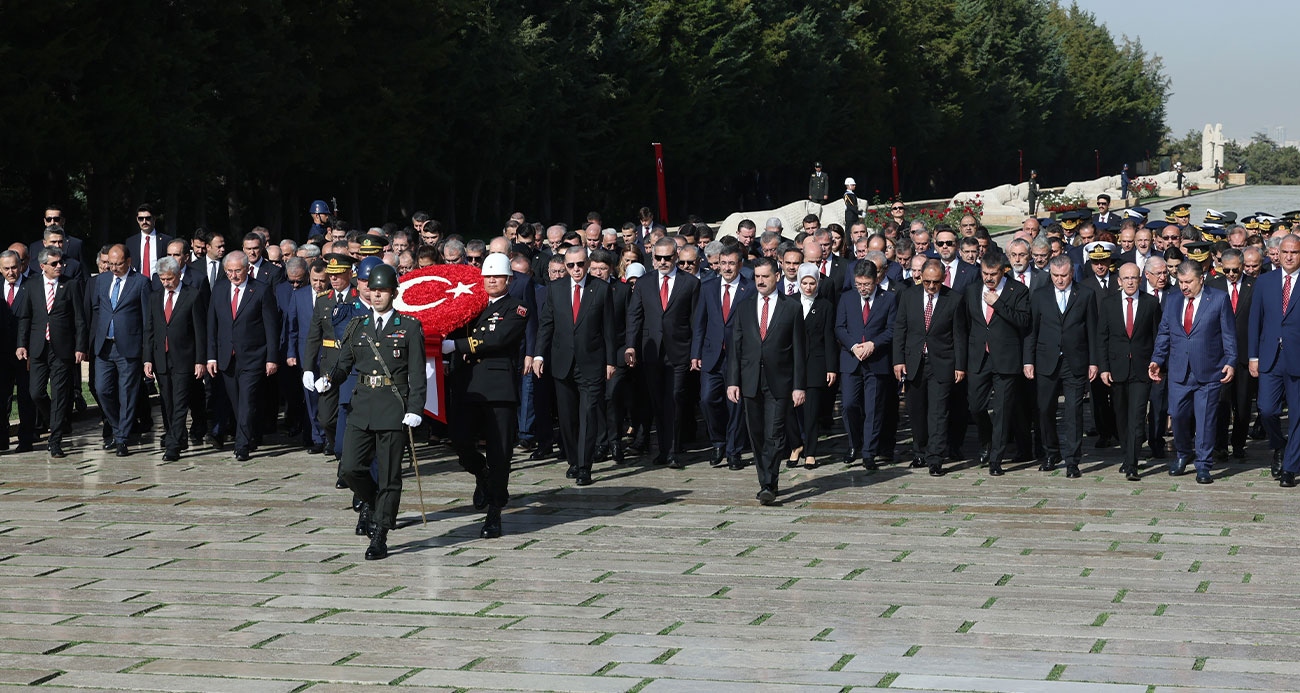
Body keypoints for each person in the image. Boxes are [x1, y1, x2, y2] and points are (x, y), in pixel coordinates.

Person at [314, 264, 425, 560]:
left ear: (394, 293)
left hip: (392, 406)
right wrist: (329, 378)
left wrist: (415, 408)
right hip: (362, 405)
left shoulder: (409, 327)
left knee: (389, 476)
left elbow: (417, 373)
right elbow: (344, 365)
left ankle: (380, 534)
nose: (376, 295)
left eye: (382, 290)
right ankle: (378, 503)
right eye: (373, 290)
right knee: (350, 468)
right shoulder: (358, 326)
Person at [444, 253, 528, 538]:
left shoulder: (516, 308)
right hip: (467, 386)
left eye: (497, 277)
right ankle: (482, 474)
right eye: (487, 276)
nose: (491, 281)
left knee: (500, 452)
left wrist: (457, 346)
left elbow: (497, 338)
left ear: (508, 280)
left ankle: (495, 510)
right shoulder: (469, 305)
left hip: (497, 389)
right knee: (460, 441)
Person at [533, 246, 616, 485]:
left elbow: (609, 328)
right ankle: (572, 460)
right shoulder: (555, 289)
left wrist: (611, 361)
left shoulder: (601, 288)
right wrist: (539, 355)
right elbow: (546, 325)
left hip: (591, 362)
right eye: (571, 266)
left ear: (587, 263)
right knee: (567, 418)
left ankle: (584, 466)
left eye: (580, 264)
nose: (576, 269)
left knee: (588, 415)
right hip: (562, 363)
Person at [726, 257, 804, 504]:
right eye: (757, 276)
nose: (760, 281)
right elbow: (736, 347)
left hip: (779, 381)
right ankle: (765, 481)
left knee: (775, 433)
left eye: (765, 276)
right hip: (750, 380)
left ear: (777, 277)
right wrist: (733, 381)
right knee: (757, 434)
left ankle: (769, 482)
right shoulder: (744, 306)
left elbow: (799, 351)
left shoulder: (791, 307)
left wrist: (799, 385)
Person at [1150, 261, 1236, 484]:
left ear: (1201, 279)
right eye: (1180, 282)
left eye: (1188, 282)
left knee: (1206, 420)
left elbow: (1228, 333)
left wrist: (1231, 361)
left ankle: (1204, 464)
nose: (1184, 286)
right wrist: (1157, 360)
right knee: (1177, 415)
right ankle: (1182, 453)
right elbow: (1164, 333)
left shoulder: (1218, 299)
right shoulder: (1173, 299)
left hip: (1209, 371)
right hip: (1179, 371)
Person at [625, 237, 700, 468]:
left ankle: (675, 451)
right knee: (658, 401)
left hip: (679, 350)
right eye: (658, 258)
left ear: (676, 257)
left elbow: (696, 321)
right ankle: (663, 449)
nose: (663, 262)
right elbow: (634, 316)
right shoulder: (645, 283)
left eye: (668, 257)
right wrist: (630, 345)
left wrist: (695, 353)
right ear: (653, 258)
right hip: (652, 351)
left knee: (675, 399)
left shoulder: (690, 283)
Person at [1024, 255, 1098, 478]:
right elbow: (1031, 332)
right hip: (1046, 361)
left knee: (1074, 412)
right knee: (1045, 409)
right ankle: (1051, 452)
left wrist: (1094, 362)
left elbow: (1092, 332)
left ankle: (1073, 460)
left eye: (1064, 275)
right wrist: (1028, 360)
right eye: (1055, 276)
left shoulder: (1085, 294)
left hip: (1074, 361)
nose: (1059, 280)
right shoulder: (1039, 296)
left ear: (1072, 273)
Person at [893, 259, 967, 477]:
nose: (931, 287)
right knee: (916, 411)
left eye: (935, 282)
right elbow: (900, 329)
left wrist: (960, 365)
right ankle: (919, 451)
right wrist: (898, 360)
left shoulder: (953, 299)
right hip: (915, 362)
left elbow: (959, 335)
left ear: (943, 279)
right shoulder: (909, 296)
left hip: (942, 362)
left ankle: (935, 457)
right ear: (920, 278)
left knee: (938, 412)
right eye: (927, 282)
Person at [206, 251, 280, 461]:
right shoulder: (219, 289)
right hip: (226, 357)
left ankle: (241, 445)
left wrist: (271, 357)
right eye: (229, 271)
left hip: (253, 356)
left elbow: (271, 327)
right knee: (237, 401)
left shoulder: (261, 290)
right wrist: (211, 356)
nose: (233, 275)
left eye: (237, 270)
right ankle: (251, 435)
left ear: (247, 269)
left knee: (247, 400)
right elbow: (212, 325)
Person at [15, 247, 87, 458]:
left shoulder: (70, 285)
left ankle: (55, 441)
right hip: (39, 348)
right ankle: (56, 420)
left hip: (62, 349)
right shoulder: (32, 285)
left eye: (60, 263)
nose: (59, 266)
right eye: (54, 263)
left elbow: (79, 319)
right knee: (35, 392)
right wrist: (22, 344)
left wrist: (80, 347)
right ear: (42, 266)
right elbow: (26, 317)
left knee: (60, 394)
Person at [963, 252, 1030, 476]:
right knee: (975, 406)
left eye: (993, 274)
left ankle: (996, 459)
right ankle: (987, 441)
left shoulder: (1017, 290)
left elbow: (1023, 321)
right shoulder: (972, 290)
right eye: (985, 274)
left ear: (1003, 271)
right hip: (979, 358)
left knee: (1002, 410)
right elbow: (966, 324)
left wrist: (998, 303)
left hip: (1006, 359)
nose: (988, 278)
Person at [1097, 263, 1161, 480]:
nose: (1131, 282)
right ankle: (1127, 455)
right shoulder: (1108, 304)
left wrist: (1157, 363)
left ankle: (1132, 464)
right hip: (1117, 369)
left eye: (1134, 278)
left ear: (1141, 279)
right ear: (1119, 281)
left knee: (1136, 416)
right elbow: (1102, 338)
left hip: (1142, 371)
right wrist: (1104, 368)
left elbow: (1156, 337)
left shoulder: (1151, 303)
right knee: (1122, 417)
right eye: (1126, 278)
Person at [692, 245, 753, 469]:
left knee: (735, 404)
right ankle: (718, 440)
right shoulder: (707, 287)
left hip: (739, 357)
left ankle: (734, 451)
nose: (727, 268)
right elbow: (700, 323)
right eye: (723, 263)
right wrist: (695, 353)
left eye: (731, 263)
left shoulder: (751, 289)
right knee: (707, 399)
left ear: (740, 265)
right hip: (711, 354)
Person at [88, 245, 151, 456]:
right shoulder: (102, 280)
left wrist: (145, 351)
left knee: (127, 394)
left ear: (129, 262)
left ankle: (122, 438)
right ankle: (117, 429)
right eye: (110, 264)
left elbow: (146, 319)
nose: (113, 268)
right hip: (104, 346)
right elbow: (98, 310)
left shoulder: (141, 282)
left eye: (118, 264)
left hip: (129, 347)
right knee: (102, 390)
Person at [1249, 234, 1300, 485]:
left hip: (1298, 358)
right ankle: (1280, 446)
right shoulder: (1265, 282)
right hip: (1270, 357)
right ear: (1277, 254)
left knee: (1298, 415)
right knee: (1267, 410)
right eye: (1286, 252)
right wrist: (1253, 357)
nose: (1290, 257)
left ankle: (1290, 468)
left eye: (1295, 252)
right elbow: (1254, 321)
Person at [144, 257, 207, 461]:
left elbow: (200, 331)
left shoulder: (193, 295)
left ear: (179, 274)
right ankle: (179, 437)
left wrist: (200, 360)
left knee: (180, 402)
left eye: (169, 278)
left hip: (184, 358)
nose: (166, 283)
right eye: (162, 279)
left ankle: (172, 446)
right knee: (167, 402)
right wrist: (148, 359)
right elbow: (150, 330)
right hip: (161, 358)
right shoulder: (155, 297)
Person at [303, 254, 365, 460]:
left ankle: (346, 454)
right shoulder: (324, 301)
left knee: (348, 411)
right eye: (331, 275)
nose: (334, 279)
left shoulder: (359, 298)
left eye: (338, 275)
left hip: (353, 364)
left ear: (349, 273)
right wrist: (308, 368)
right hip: (329, 364)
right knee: (326, 417)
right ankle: (337, 444)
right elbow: (314, 337)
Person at [836, 259, 896, 468]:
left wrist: (874, 344)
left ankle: (869, 452)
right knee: (850, 405)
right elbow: (840, 328)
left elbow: (891, 329)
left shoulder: (888, 299)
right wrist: (853, 346)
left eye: (866, 284)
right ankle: (855, 444)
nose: (862, 288)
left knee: (873, 408)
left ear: (876, 280)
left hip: (876, 361)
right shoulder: (847, 298)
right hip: (851, 359)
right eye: (859, 284)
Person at [1207, 249, 1254, 460]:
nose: (1232, 274)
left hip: (1245, 355)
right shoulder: (1213, 285)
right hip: (1220, 355)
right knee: (1220, 403)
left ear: (1242, 265)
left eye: (1236, 269)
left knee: (1243, 406)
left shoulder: (1254, 285)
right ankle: (1220, 446)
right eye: (1227, 270)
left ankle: (1238, 444)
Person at [791, 263, 835, 468]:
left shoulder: (825, 305)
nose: (808, 287)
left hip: (816, 363)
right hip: (791, 364)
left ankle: (810, 451)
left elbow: (829, 338)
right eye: (804, 282)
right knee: (790, 410)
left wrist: (831, 367)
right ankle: (795, 445)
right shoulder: (789, 303)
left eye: (812, 283)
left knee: (811, 410)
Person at [0, 250, 35, 452]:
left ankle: (26, 440)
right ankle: (2, 439)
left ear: (21, 265)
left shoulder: (32, 285)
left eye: (14, 267)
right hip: (2, 353)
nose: (11, 272)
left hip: (26, 353)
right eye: (6, 268)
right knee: (2, 397)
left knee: (25, 397)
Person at [128, 204, 171, 279]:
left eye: (148, 218)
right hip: (137, 283)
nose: (144, 222)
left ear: (154, 218)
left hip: (159, 283)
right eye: (141, 219)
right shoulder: (131, 242)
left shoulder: (166, 240)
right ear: (137, 220)